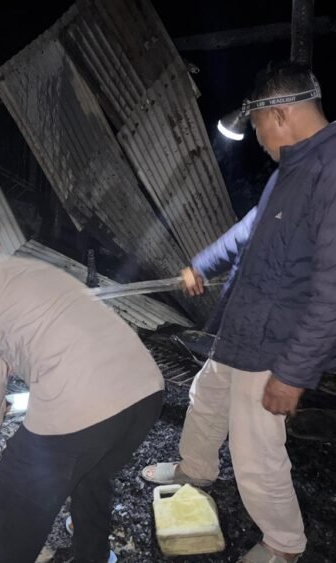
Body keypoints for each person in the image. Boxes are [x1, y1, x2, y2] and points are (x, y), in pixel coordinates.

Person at [142, 62, 336, 563]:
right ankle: (195, 471)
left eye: (257, 127)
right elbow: (250, 229)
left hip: (274, 346)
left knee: (256, 450)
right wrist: (201, 264)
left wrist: (293, 374)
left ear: (279, 114)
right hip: (242, 330)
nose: (258, 139)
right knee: (206, 398)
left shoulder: (329, 174)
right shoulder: (291, 170)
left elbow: (331, 293)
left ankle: (284, 545)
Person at [0, 217, 165, 563]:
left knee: (16, 491)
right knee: (91, 474)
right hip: (144, 391)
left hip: (81, 402)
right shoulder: (33, 269)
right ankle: (94, 557)